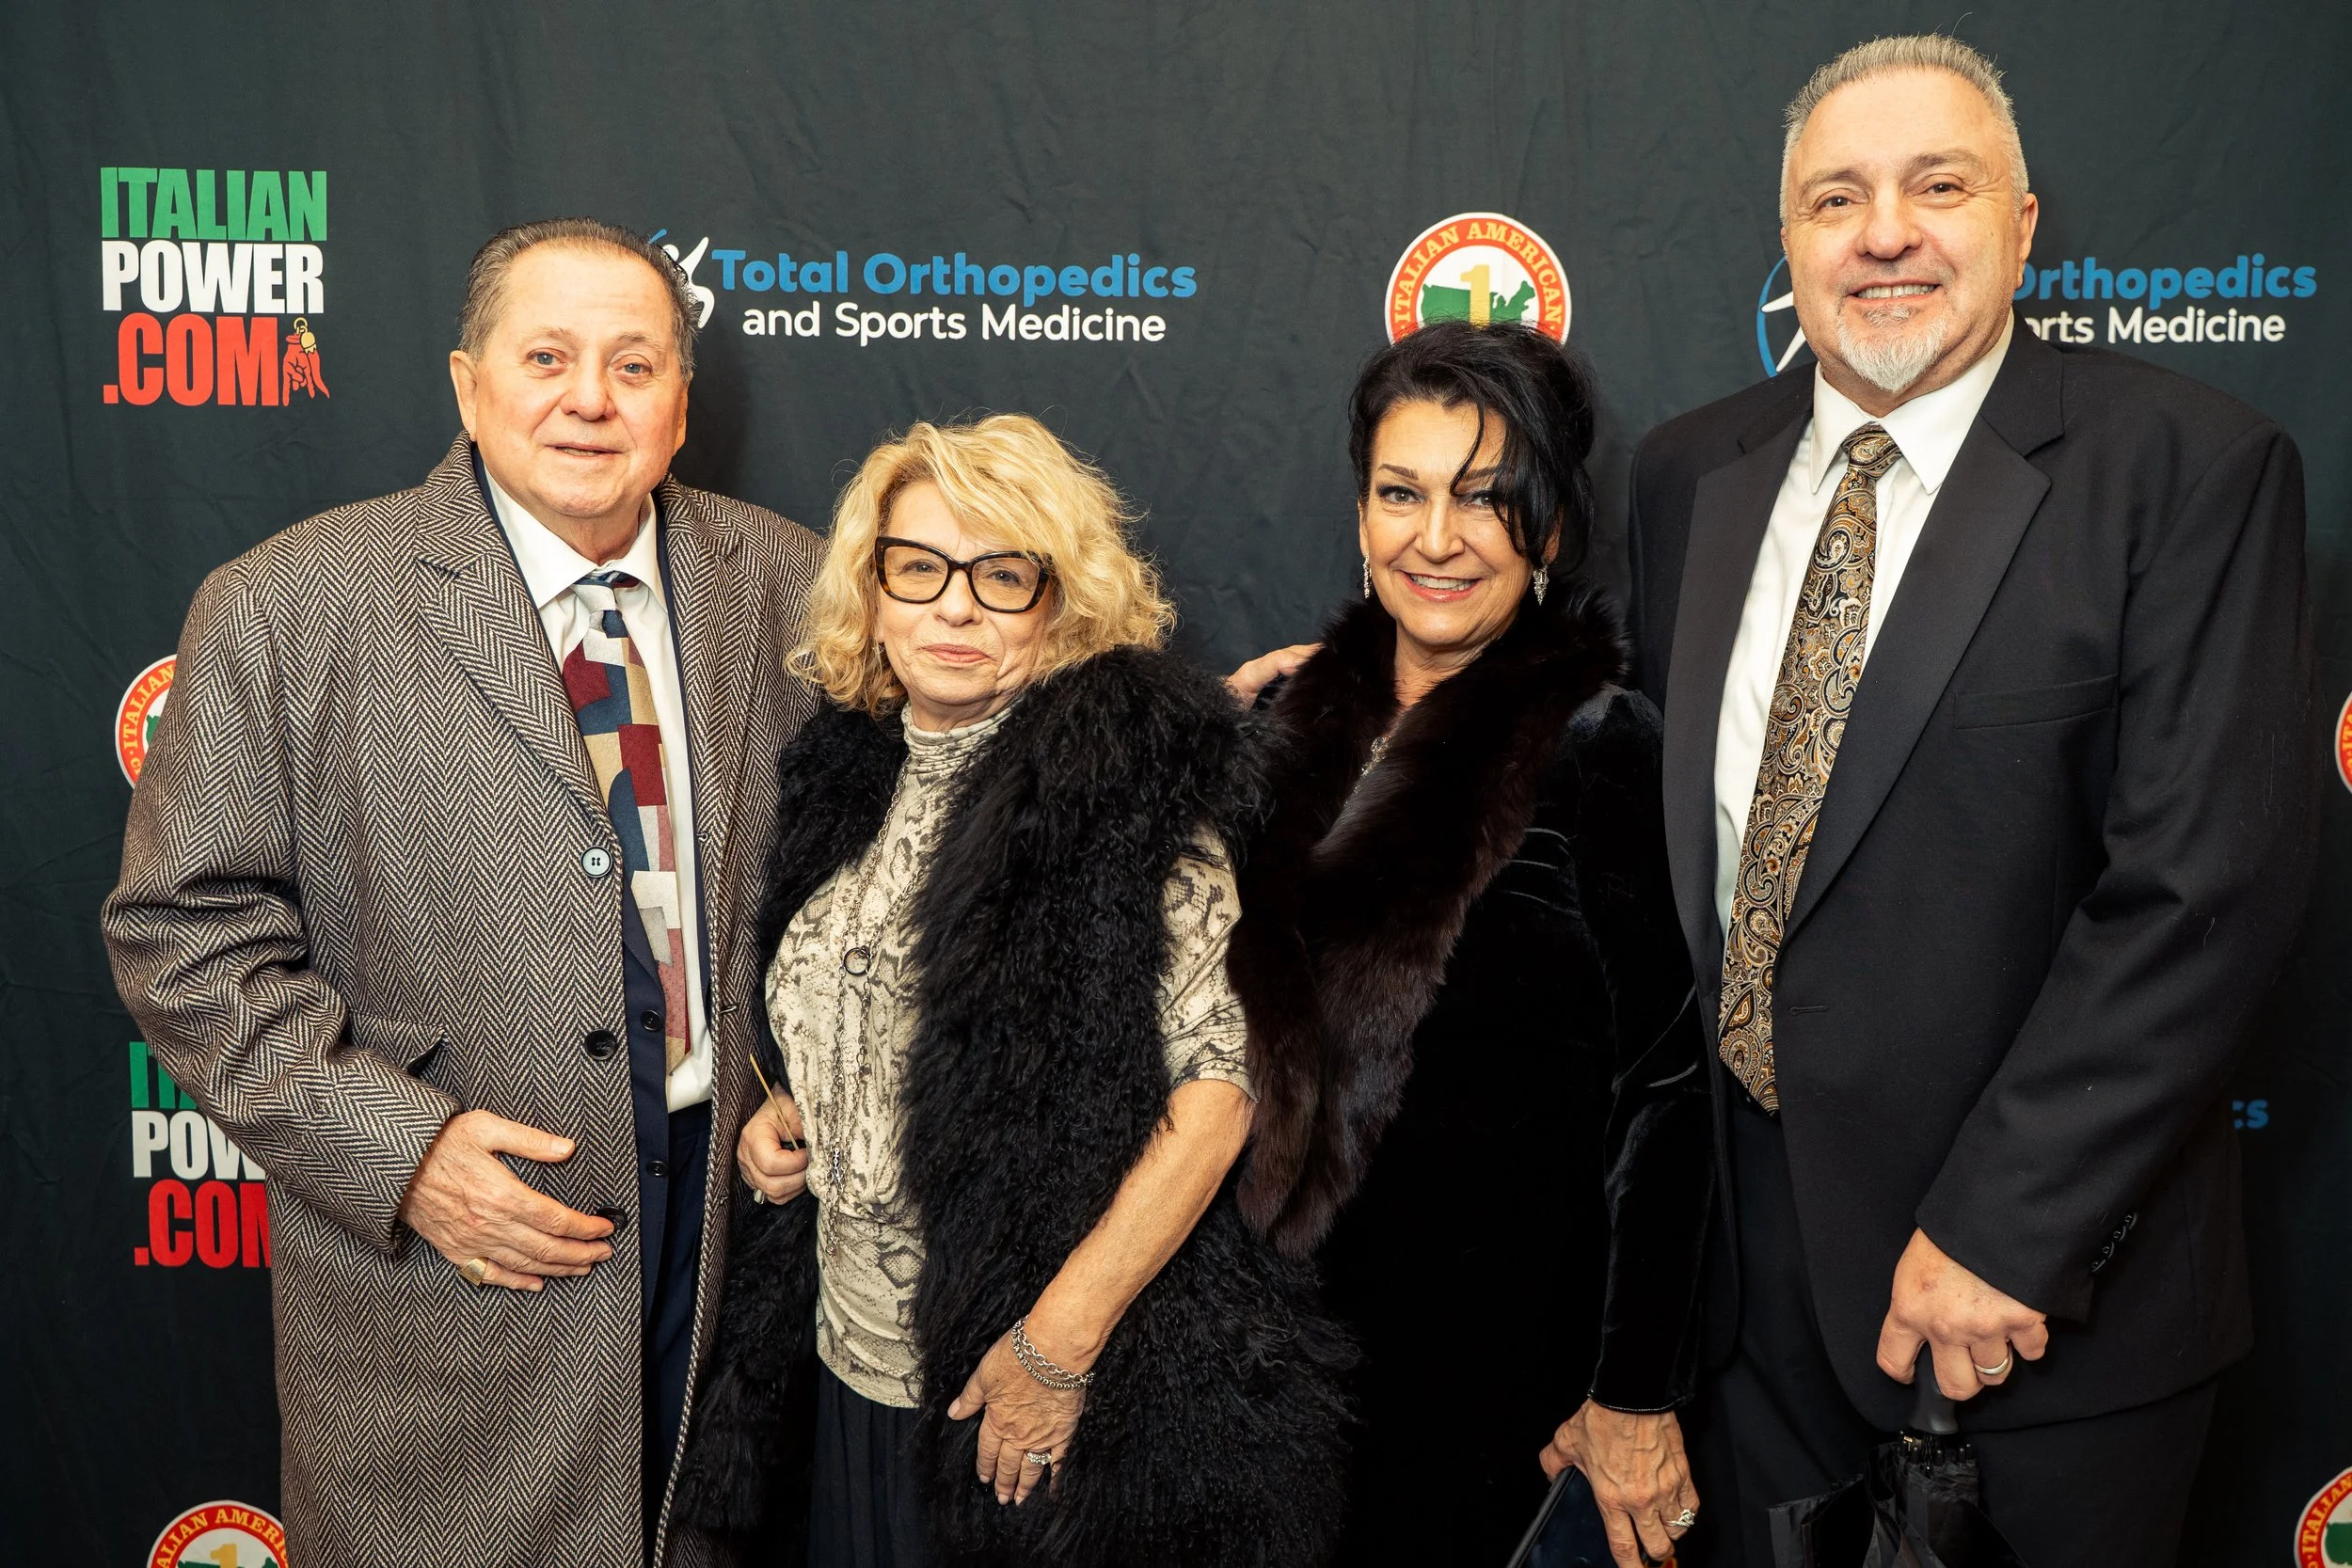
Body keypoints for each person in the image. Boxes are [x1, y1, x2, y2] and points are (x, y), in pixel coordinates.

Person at [1624, 36, 2317, 1567]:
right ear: (1787, 237)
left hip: (2036, 1315)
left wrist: (2007, 1230)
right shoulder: (1689, 479)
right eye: (1835, 197)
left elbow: (2205, 889)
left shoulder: (2188, 469)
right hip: (1747, 1318)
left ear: (2022, 224)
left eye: (1938, 186)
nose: (1884, 233)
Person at [102, 217, 822, 1566]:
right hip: (449, 1263)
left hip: (727, 1237)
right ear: (465, 383)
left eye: (634, 363)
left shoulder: (784, 578)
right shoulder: (290, 602)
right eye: (546, 355)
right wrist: (406, 1153)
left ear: (680, 400)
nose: (589, 399)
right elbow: (184, 938)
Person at [675, 415, 1352, 1568]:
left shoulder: (1126, 794)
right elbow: (835, 1013)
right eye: (918, 567)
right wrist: (785, 1117)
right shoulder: (841, 776)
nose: (952, 607)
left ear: (1060, 602)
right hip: (844, 1372)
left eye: (1000, 575)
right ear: (873, 586)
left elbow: (1222, 1091)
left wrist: (1057, 1343)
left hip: (1028, 1392)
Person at [1224, 320, 1716, 1568]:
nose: (1435, 537)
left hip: (1492, 1388)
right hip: (1261, 1371)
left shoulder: (1600, 743)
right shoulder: (1278, 721)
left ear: (1548, 530)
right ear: (1360, 514)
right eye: (1402, 491)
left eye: (1487, 499)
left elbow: (1669, 1096)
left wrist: (1633, 1389)